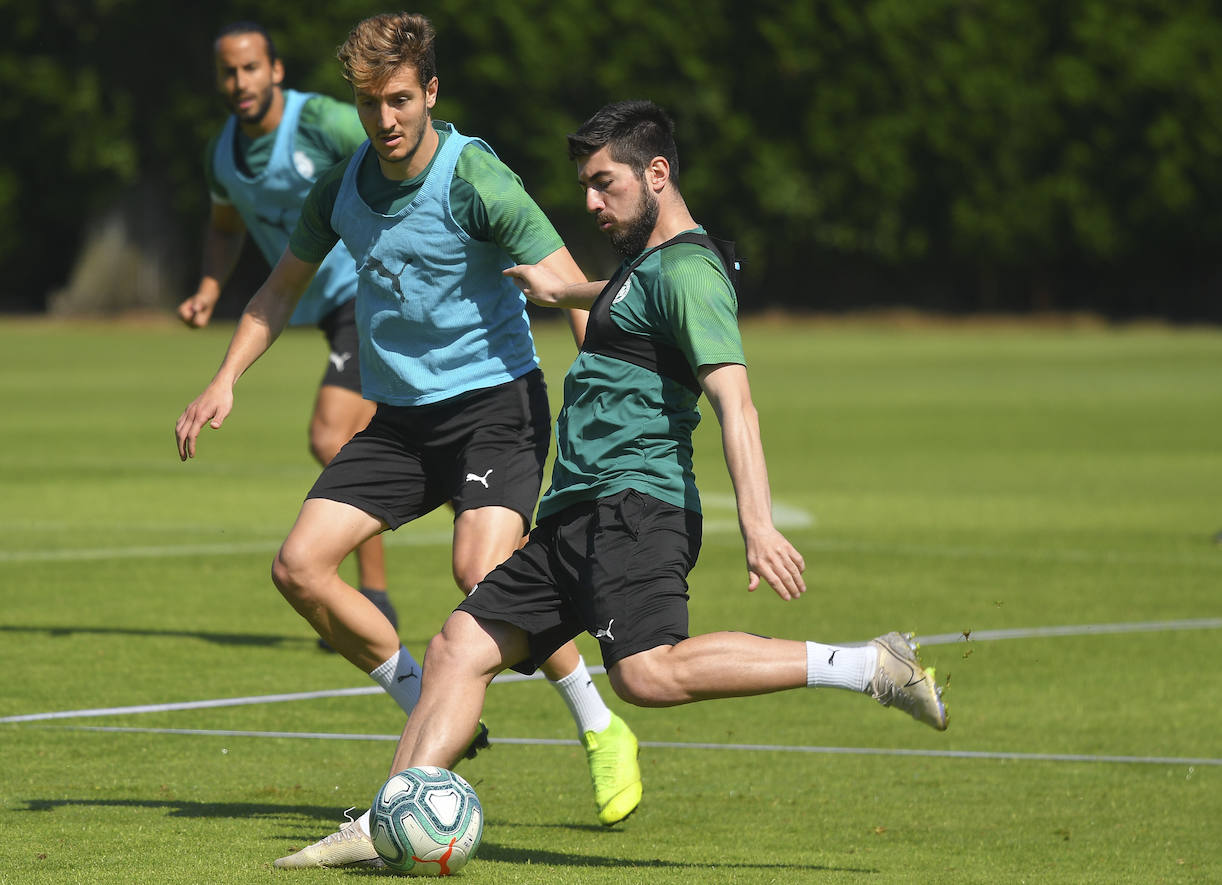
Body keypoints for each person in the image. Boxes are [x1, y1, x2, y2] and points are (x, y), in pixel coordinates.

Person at [298, 99, 951, 868]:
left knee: (645, 674)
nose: (590, 201)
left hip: (636, 503)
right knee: (455, 646)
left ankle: (872, 665)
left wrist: (760, 522)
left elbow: (734, 399)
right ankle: (387, 821)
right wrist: (559, 293)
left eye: (604, 183)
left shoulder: (693, 271)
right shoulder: (649, 264)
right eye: (585, 184)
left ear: (658, 173)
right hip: (575, 509)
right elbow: (622, 301)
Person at [173, 14, 642, 867]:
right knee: (298, 566)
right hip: (401, 423)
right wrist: (225, 378)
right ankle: (428, 701)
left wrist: (600, 408)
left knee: (483, 577)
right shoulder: (343, 183)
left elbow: (570, 287)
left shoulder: (477, 179)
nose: (384, 120)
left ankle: (600, 723)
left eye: (398, 100)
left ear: (430, 93)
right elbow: (279, 289)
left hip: (495, 406)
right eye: (368, 103)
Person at [181, 22, 395, 635]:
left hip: (371, 294)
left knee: (331, 436)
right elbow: (224, 226)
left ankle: (374, 599)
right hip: (322, 308)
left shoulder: (321, 123)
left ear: (275, 71)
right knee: (388, 442)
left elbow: (405, 155)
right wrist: (208, 288)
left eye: (250, 67)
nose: (239, 81)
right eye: (228, 71)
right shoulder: (222, 152)